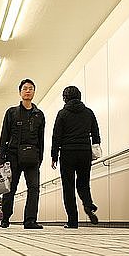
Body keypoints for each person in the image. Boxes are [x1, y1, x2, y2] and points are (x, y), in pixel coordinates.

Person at [0, 78, 46, 229]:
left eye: (30, 88)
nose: (27, 91)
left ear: (34, 92)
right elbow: (4, 135)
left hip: (32, 156)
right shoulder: (11, 112)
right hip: (13, 155)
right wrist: (1, 158)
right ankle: (5, 218)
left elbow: (41, 138)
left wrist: (40, 157)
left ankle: (30, 220)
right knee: (10, 188)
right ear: (20, 92)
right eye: (25, 88)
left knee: (34, 188)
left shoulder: (39, 114)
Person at [51, 85, 101, 228]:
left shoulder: (62, 114)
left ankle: (73, 221)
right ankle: (88, 203)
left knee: (68, 187)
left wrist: (54, 155)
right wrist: (95, 146)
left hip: (67, 153)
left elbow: (56, 136)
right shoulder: (88, 112)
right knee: (84, 183)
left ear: (65, 98)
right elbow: (96, 133)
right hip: (84, 152)